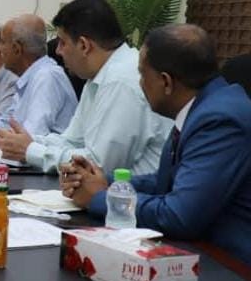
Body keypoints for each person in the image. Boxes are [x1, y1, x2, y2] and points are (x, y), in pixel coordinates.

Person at [61, 24, 251, 265]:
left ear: (166, 82)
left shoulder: (220, 120)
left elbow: (180, 216)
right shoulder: (205, 106)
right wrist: (105, 181)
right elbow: (167, 181)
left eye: (142, 75)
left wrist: (101, 198)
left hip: (232, 269)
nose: (140, 83)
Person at [0, 0, 171, 175]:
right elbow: (72, 141)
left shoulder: (121, 81)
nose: (57, 51)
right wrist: (26, 142)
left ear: (84, 45)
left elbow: (97, 165)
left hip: (134, 191)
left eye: (62, 42)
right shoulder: (97, 77)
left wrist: (30, 151)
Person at [0, 14, 77, 136]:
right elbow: (4, 124)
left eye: (2, 42)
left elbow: (30, 136)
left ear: (17, 48)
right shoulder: (30, 78)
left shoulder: (47, 77)